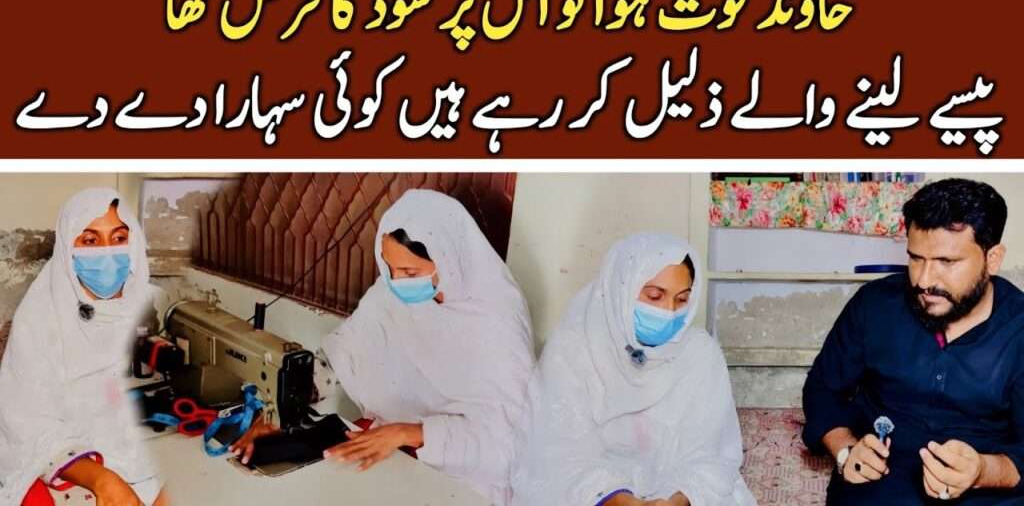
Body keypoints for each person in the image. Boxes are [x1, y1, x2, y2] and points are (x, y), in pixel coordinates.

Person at [232, 189, 535, 505]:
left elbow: (509, 444)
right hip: (390, 450)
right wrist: (279, 412)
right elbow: (340, 359)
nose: (396, 281)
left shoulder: (497, 321)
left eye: (410, 272)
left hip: (465, 482)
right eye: (389, 268)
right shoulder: (392, 292)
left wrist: (410, 433)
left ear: (448, 259)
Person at [803, 178, 1024, 505]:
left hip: (987, 493)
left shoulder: (1018, 329)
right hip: (879, 486)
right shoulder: (875, 304)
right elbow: (823, 389)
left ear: (992, 259)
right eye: (916, 258)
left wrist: (981, 471)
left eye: (947, 262)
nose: (923, 280)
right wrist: (845, 451)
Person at [511, 233, 756, 506]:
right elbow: (558, 452)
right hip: (594, 494)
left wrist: (677, 499)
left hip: (675, 490)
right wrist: (619, 500)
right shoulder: (572, 350)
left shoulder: (700, 353)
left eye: (682, 299)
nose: (669, 311)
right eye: (655, 296)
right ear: (622, 289)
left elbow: (709, 452)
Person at [0, 188, 167, 506]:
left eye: (119, 238)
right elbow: (26, 424)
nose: (107, 254)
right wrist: (101, 479)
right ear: (67, 247)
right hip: (71, 469)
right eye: (90, 241)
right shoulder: (40, 319)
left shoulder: (152, 305)